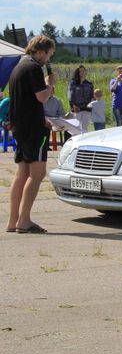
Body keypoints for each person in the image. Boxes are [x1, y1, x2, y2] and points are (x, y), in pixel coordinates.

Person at [6, 35, 56, 234]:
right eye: (49, 55)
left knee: (22, 174)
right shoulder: (34, 67)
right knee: (37, 174)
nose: (48, 60)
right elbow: (42, 96)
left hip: (19, 126)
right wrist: (49, 84)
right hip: (34, 130)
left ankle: (13, 220)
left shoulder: (18, 66)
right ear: (41, 51)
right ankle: (24, 221)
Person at [67, 65, 93, 134]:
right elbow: (70, 95)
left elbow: (92, 95)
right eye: (80, 71)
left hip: (87, 109)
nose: (82, 72)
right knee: (76, 129)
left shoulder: (89, 84)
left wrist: (91, 104)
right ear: (77, 73)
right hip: (77, 109)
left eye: (84, 71)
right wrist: (73, 105)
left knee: (85, 129)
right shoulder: (73, 83)